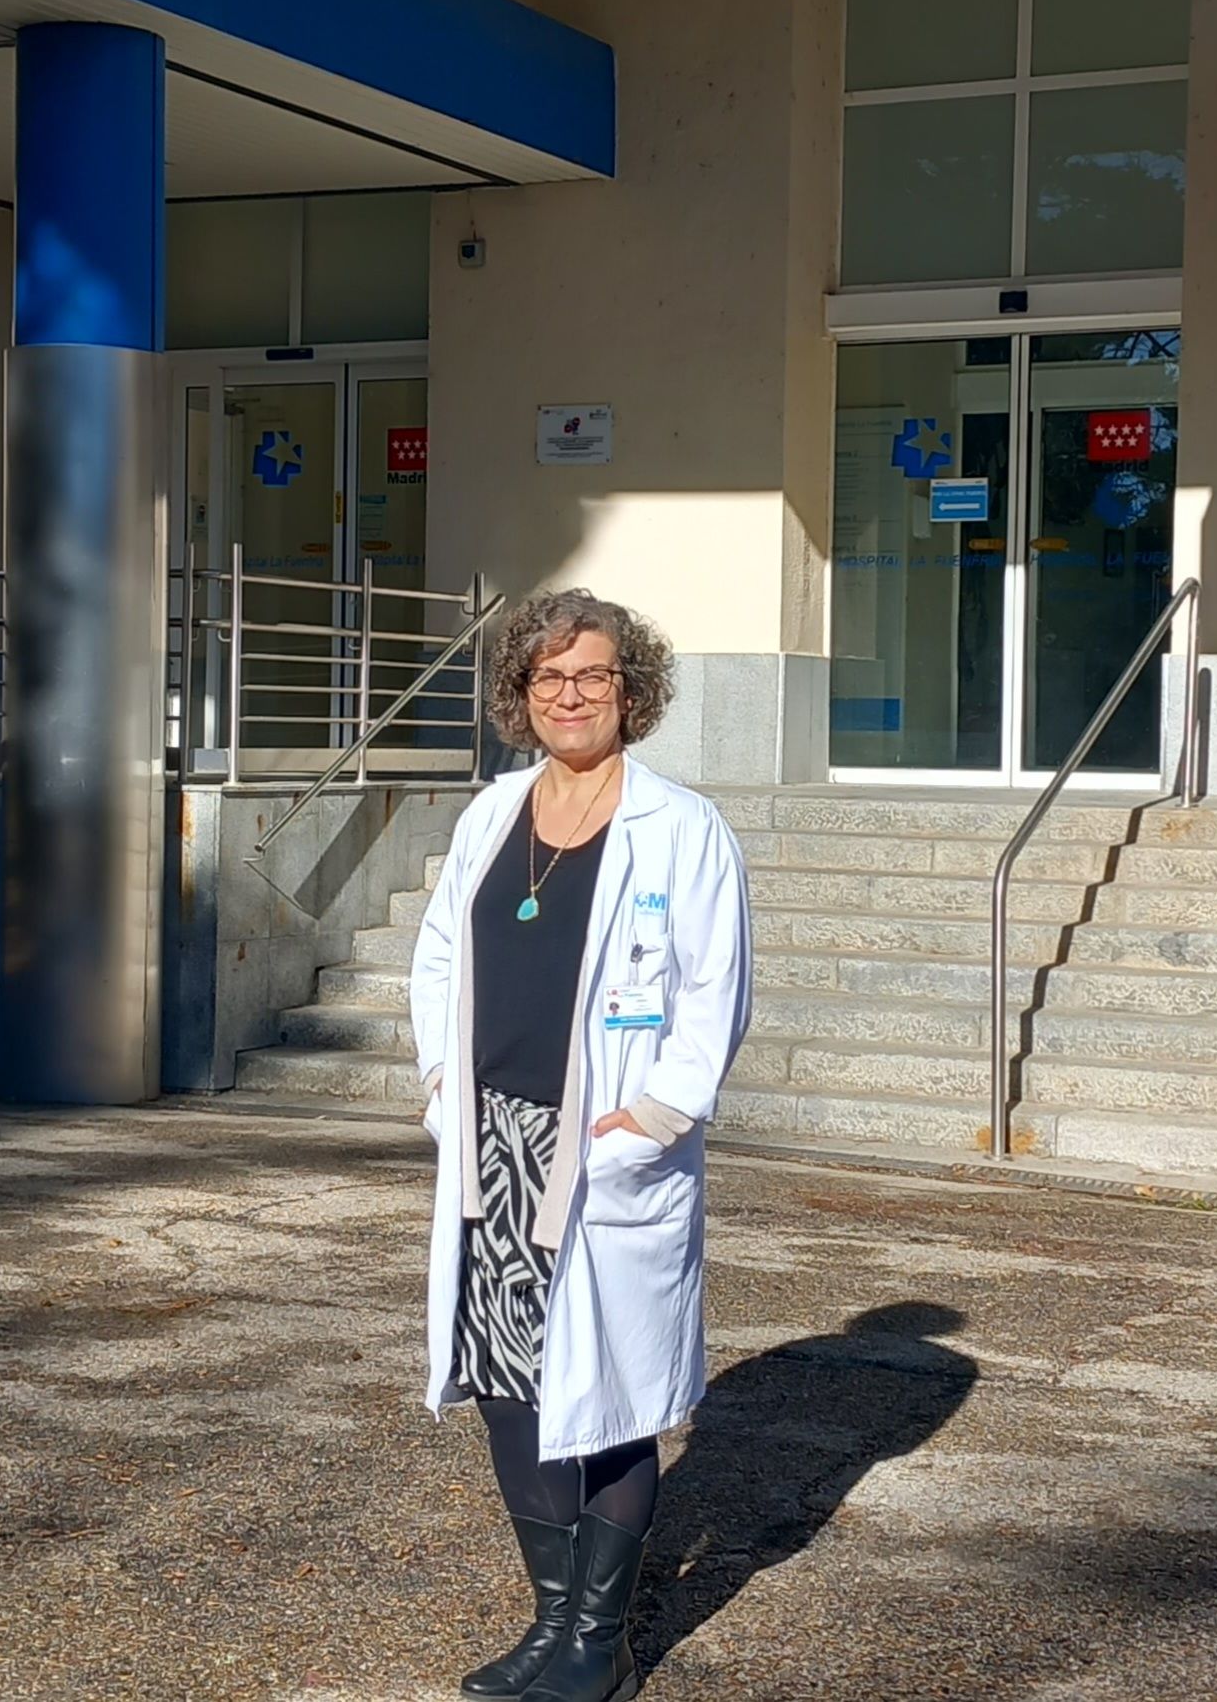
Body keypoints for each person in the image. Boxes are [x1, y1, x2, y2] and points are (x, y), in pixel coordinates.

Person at [409, 588, 753, 1702]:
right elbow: (434, 959)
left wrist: (654, 1118)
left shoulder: (680, 827)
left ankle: (599, 1643)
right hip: (494, 1140)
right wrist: (436, 1081)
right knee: (509, 1379)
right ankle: (550, 1623)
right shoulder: (489, 815)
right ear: (520, 694)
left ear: (631, 693)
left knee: (608, 1394)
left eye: (592, 677)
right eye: (549, 678)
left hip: (601, 1147)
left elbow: (714, 992)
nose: (569, 696)